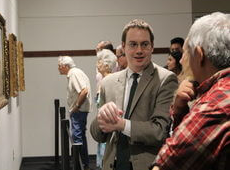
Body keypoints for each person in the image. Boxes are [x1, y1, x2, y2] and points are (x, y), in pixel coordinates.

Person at [90, 19, 178, 170]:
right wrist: (101, 118)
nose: (139, 50)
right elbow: (98, 135)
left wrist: (121, 124)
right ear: (123, 47)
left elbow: (159, 131)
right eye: (133, 44)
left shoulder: (166, 79)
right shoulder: (108, 83)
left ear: (152, 47)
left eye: (144, 44)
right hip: (113, 164)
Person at [151, 12, 230, 170]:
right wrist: (180, 110)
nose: (181, 60)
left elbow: (167, 164)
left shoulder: (214, 105)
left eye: (186, 52)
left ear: (199, 55)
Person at [58, 56, 92, 170]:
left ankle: (79, 166)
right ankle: (84, 165)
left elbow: (84, 91)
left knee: (77, 138)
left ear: (65, 66)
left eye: (59, 66)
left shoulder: (74, 73)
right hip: (80, 111)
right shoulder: (75, 73)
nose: (58, 68)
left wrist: (76, 107)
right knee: (80, 136)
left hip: (79, 111)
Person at [95, 49, 117, 169]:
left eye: (99, 62)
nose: (97, 65)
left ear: (106, 65)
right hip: (102, 127)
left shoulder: (109, 81)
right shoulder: (104, 80)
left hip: (109, 126)